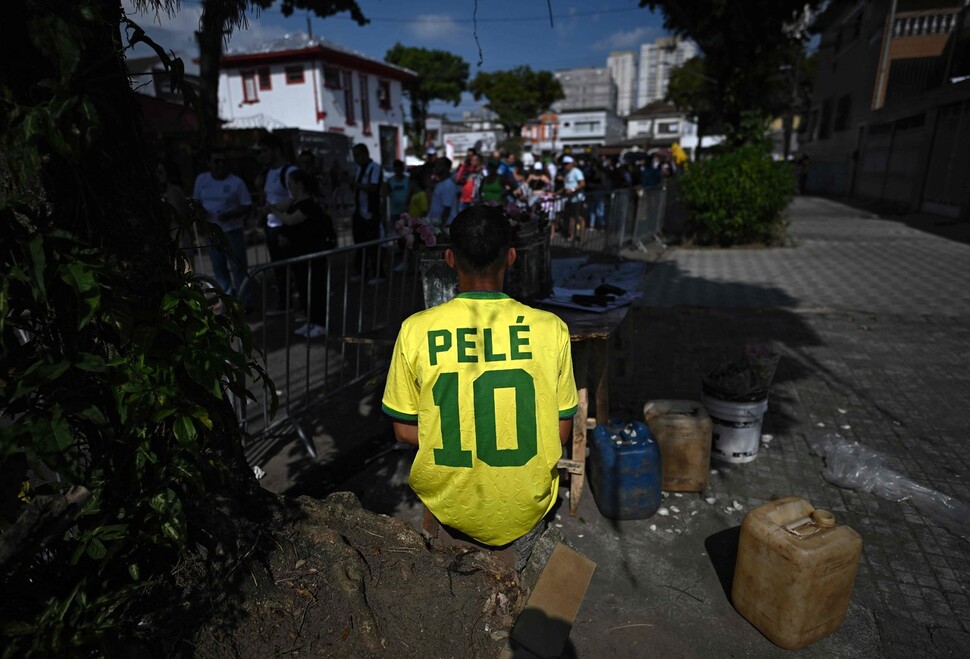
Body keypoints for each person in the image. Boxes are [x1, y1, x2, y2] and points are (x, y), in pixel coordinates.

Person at [381, 204, 578, 571]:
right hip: (526, 506)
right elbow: (561, 430)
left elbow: (405, 429)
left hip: (449, 505)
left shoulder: (415, 330)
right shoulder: (552, 329)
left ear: (450, 259)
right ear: (513, 257)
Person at [269, 169, 337, 338]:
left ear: (299, 184)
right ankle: (311, 321)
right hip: (299, 256)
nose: (289, 187)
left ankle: (320, 323)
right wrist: (271, 206)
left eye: (291, 183)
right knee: (304, 289)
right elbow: (282, 205)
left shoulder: (309, 205)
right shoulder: (295, 202)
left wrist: (275, 212)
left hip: (312, 256)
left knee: (315, 290)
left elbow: (290, 220)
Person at [192, 150, 253, 310]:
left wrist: (232, 214)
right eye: (216, 161)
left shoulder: (236, 182)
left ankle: (244, 301)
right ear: (209, 163)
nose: (220, 165)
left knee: (238, 268)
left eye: (223, 161)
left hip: (232, 230)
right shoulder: (202, 180)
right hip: (211, 232)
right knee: (219, 269)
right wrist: (200, 214)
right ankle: (228, 302)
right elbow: (195, 202)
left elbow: (247, 205)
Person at [255, 133, 295, 310]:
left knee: (292, 268)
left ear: (276, 151)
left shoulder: (290, 172)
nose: (261, 155)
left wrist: (273, 208)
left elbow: (296, 199)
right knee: (279, 269)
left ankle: (296, 303)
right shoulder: (268, 172)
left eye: (264, 151)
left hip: (286, 227)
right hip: (271, 226)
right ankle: (285, 302)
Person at [351, 143, 384, 283]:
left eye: (358, 155)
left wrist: (355, 184)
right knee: (359, 244)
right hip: (359, 211)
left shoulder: (374, 168)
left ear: (365, 154)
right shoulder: (359, 169)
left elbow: (373, 187)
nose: (356, 159)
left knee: (373, 246)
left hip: (371, 212)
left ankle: (378, 273)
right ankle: (362, 272)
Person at [427, 157, 459, 227]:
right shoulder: (440, 183)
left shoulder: (448, 185)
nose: (437, 167)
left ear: (447, 168)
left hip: (445, 225)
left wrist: (440, 226)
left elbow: (447, 209)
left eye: (440, 164)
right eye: (436, 164)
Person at [561, 155, 587, 243]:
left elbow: (582, 183)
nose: (565, 165)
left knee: (580, 218)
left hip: (578, 199)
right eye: (564, 164)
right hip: (570, 200)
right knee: (571, 218)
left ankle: (582, 238)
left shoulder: (576, 171)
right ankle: (571, 236)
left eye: (567, 164)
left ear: (572, 164)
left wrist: (573, 190)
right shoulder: (566, 172)